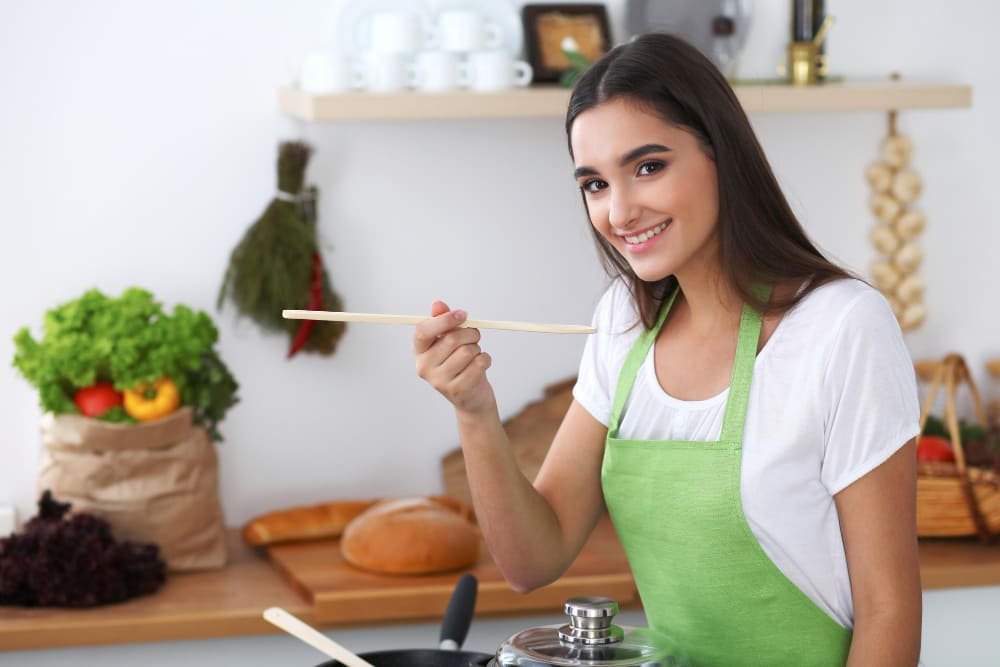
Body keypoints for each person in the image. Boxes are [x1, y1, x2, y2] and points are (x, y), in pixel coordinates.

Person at [413, 33, 921, 666]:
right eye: (595, 184)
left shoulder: (841, 327)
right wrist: (473, 408)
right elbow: (531, 561)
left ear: (721, 155)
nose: (620, 210)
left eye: (648, 166)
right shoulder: (625, 322)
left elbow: (890, 613)